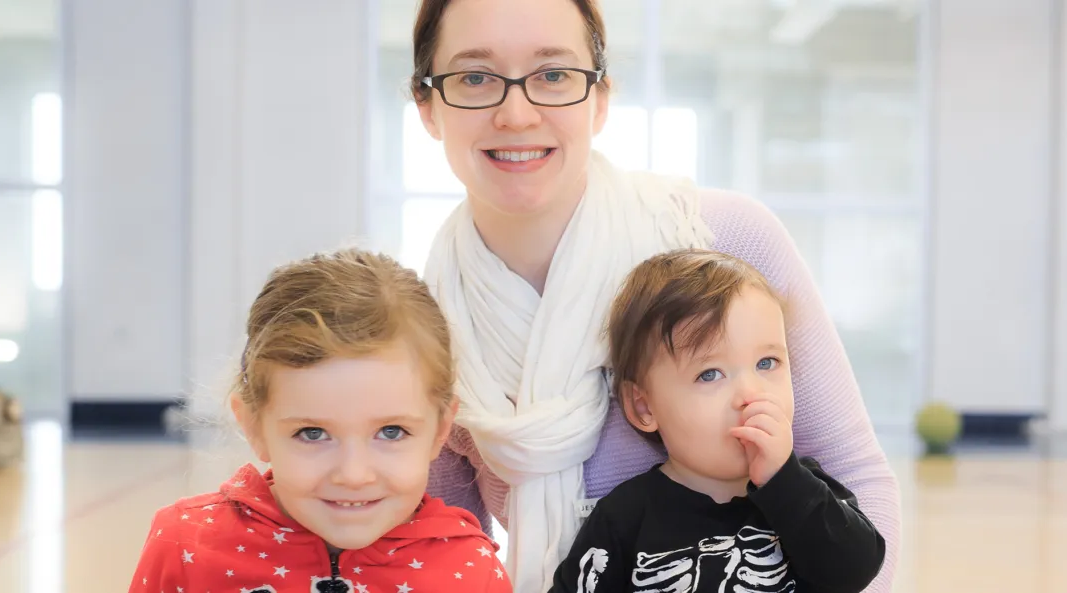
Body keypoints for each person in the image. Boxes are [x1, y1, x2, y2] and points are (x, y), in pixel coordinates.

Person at [410, 0, 901, 591]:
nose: (517, 113)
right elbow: (441, 549)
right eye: (475, 77)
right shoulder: (429, 328)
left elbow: (856, 476)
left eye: (554, 75)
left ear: (600, 98)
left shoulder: (726, 242)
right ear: (427, 105)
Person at [128, 250, 512, 593]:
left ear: (440, 431)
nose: (353, 474)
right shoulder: (185, 548)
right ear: (254, 427)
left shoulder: (470, 571)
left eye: (391, 432)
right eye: (312, 433)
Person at [549, 249, 886, 592]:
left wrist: (785, 481)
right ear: (643, 407)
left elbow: (856, 571)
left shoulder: (808, 491)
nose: (750, 393)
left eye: (767, 363)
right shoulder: (623, 519)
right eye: (710, 374)